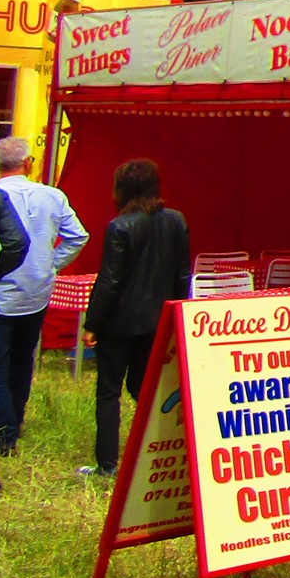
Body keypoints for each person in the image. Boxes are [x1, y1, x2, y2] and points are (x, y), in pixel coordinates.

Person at [80, 159, 191, 478]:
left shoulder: (120, 225)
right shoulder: (176, 220)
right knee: (144, 387)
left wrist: (92, 324)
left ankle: (107, 464)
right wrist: (178, 312)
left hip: (120, 322)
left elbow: (110, 280)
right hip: (158, 318)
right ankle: (158, 451)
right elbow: (183, 273)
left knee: (109, 391)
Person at [0, 136, 88, 453]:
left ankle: (3, 435)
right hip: (37, 290)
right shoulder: (53, 195)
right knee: (22, 360)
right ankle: (14, 423)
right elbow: (78, 237)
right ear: (29, 163)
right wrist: (50, 264)